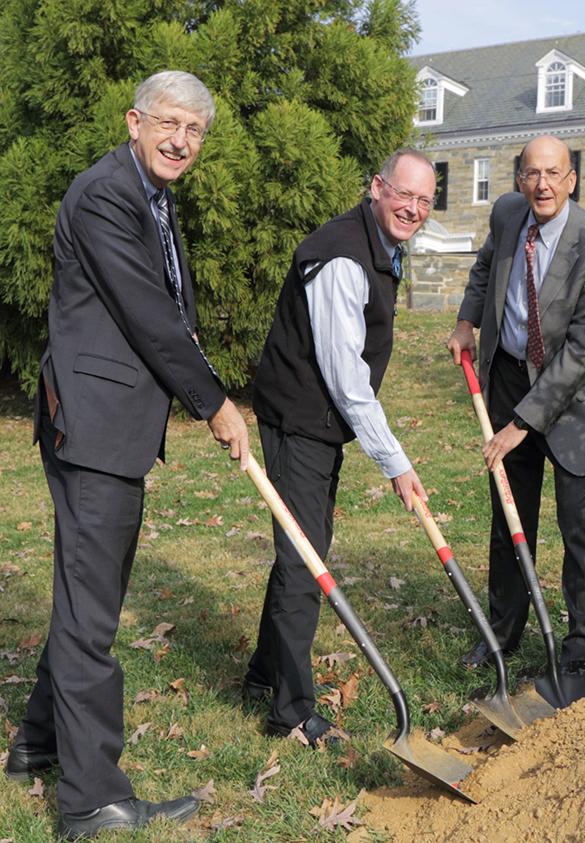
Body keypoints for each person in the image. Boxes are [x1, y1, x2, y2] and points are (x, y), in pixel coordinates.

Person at [4, 71, 249, 839]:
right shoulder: (107, 192)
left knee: (89, 595)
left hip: (111, 424)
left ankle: (39, 743)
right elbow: (148, 309)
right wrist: (213, 400)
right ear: (135, 121)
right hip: (95, 424)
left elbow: (168, 304)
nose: (182, 141)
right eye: (170, 124)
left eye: (196, 131)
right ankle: (90, 798)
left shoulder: (150, 190)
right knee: (90, 618)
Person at [244, 149, 434, 744]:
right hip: (300, 417)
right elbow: (345, 378)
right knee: (306, 559)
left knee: (304, 546)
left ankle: (262, 676)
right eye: (404, 195)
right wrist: (395, 462)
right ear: (377, 187)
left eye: (426, 201)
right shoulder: (342, 257)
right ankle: (292, 712)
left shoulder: (378, 246)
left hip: (317, 421)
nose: (414, 208)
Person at [446, 135, 585, 704]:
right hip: (508, 378)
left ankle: (579, 653)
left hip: (572, 400)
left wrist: (521, 422)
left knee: (580, 530)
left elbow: (581, 354)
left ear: (572, 179)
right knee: (509, 516)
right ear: (518, 178)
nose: (541, 185)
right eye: (531, 174)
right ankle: (502, 632)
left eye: (553, 173)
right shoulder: (506, 215)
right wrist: (467, 320)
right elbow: (485, 267)